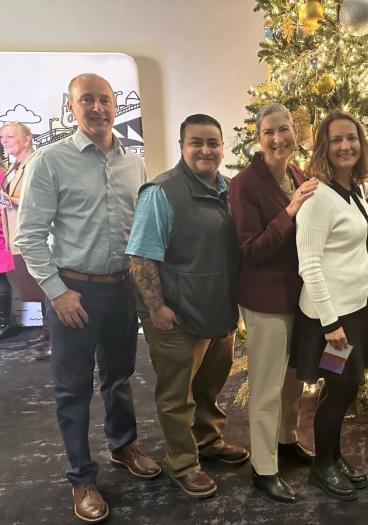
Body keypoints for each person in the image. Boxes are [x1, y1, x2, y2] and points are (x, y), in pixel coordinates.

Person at [15, 73, 160, 524]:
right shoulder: (49, 162)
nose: (98, 108)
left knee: (119, 377)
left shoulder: (132, 163)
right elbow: (30, 237)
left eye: (105, 99)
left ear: (115, 106)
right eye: (87, 100)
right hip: (73, 293)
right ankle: (81, 477)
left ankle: (123, 446)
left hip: (121, 291)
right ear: (71, 106)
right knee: (72, 390)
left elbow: (139, 229)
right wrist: (57, 294)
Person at [126, 114, 248, 498]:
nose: (206, 150)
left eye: (213, 143)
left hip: (218, 313)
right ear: (182, 146)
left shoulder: (229, 190)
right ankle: (182, 462)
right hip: (176, 317)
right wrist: (157, 309)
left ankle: (208, 442)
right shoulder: (161, 192)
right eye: (197, 142)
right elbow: (141, 259)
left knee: (210, 387)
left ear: (222, 147)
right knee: (177, 396)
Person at [229, 103, 318, 503]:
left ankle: (286, 441)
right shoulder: (245, 184)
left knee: (293, 381)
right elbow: (250, 249)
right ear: (258, 137)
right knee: (265, 387)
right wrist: (292, 209)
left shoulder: (297, 174)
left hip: (298, 295)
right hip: (265, 299)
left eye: (285, 130)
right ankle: (264, 468)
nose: (279, 138)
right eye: (270, 132)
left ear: (294, 132)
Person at [291, 110, 368, 502]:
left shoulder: (355, 189)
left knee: (344, 388)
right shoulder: (317, 197)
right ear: (325, 147)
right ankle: (322, 466)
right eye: (337, 139)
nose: (346, 146)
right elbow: (308, 264)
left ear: (361, 145)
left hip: (352, 312)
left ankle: (332, 456)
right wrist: (331, 322)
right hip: (331, 318)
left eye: (352, 138)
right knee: (340, 388)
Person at [1, 122, 49, 343]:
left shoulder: (36, 163)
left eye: (9, 137)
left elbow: (41, 199)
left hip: (33, 236)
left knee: (39, 283)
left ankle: (48, 330)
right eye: (2, 138)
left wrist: (11, 200)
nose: (4, 141)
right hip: (16, 236)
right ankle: (34, 326)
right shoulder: (12, 167)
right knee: (26, 284)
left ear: (27, 139)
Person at [0, 141, 15, 338]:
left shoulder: (1, 174)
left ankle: (4, 322)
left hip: (1, 232)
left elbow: (3, 203)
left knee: (0, 277)